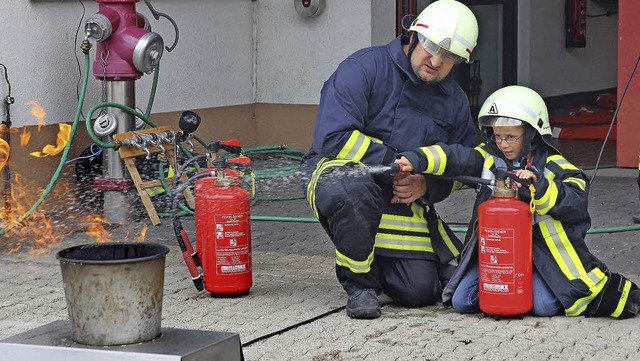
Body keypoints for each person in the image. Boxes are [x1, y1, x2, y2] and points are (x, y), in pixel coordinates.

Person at [299, 0, 479, 319]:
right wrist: (393, 162)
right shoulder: (366, 68)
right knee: (351, 192)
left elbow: (465, 165)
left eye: (449, 56)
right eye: (432, 46)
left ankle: (373, 256)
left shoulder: (454, 102)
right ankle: (359, 286)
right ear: (413, 35)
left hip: (398, 195)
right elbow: (333, 136)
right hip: (336, 175)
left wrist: (428, 185)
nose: (436, 61)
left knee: (418, 291)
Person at [395, 85, 640, 319]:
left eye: (511, 137)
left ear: (531, 134)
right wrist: (415, 159)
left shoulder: (555, 166)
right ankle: (510, 292)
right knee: (461, 301)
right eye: (498, 136)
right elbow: (455, 157)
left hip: (540, 257)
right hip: (498, 254)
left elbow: (575, 201)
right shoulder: (488, 158)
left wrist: (539, 187)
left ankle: (532, 286)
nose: (503, 144)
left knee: (544, 306)